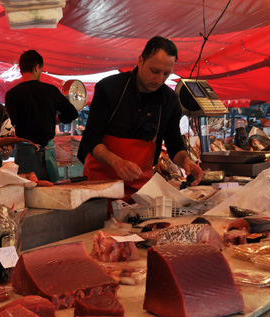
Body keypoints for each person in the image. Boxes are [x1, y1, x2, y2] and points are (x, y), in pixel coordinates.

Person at [78, 36, 202, 200]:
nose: (159, 80)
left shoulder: (170, 100)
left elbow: (174, 144)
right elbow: (91, 138)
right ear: (140, 60)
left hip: (138, 192)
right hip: (98, 188)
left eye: (166, 74)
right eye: (154, 71)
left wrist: (186, 161)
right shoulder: (109, 89)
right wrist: (116, 162)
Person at [5, 50, 79, 182]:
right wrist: (54, 121)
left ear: (21, 69)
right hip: (49, 153)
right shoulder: (51, 90)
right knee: (51, 193)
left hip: (24, 153)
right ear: (37, 67)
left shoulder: (12, 94)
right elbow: (72, 113)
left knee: (26, 194)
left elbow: (10, 124)